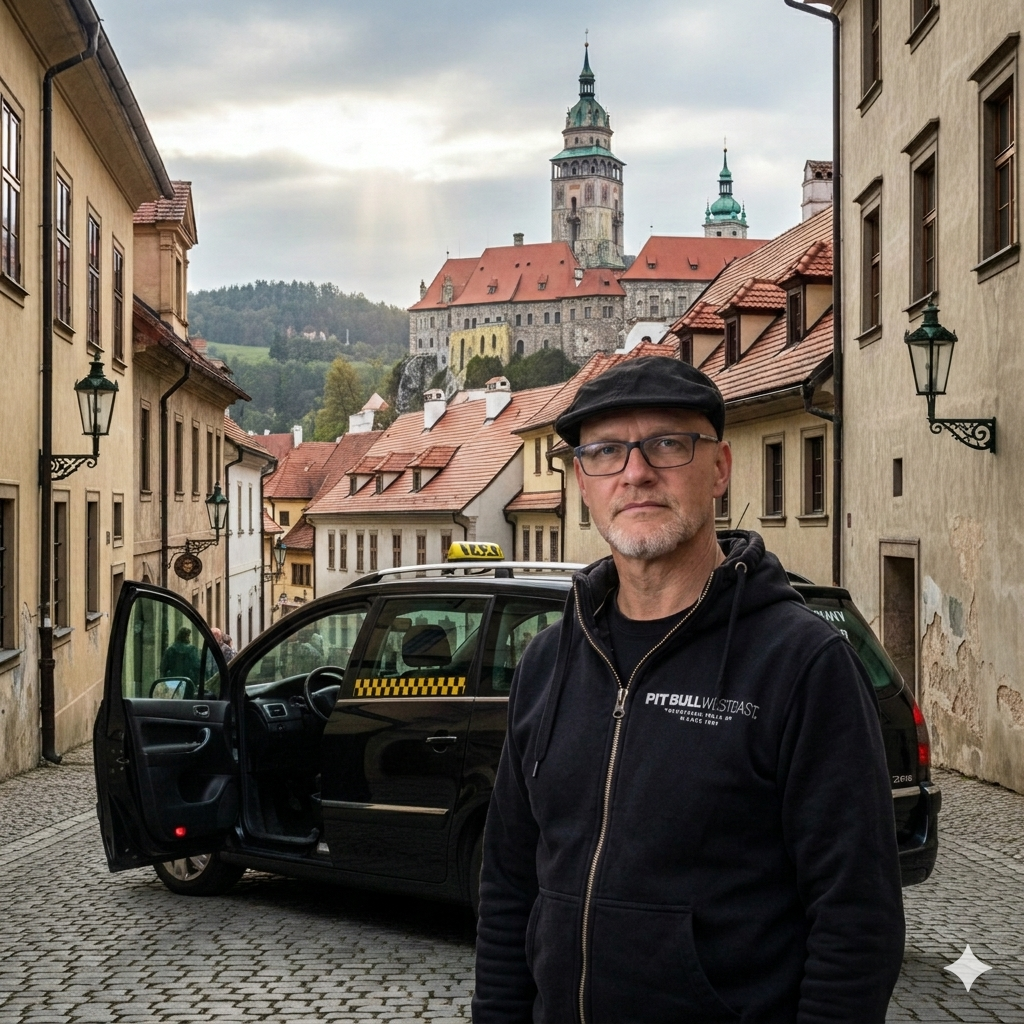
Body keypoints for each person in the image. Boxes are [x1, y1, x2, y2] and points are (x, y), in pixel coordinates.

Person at [473, 357, 904, 1024]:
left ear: (720, 469)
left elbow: (856, 917)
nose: (635, 472)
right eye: (605, 452)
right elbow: (508, 886)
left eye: (668, 444)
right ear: (583, 481)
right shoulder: (547, 661)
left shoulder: (802, 663)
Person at [159, 626, 201, 697]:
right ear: (186, 637)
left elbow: (163, 668)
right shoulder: (192, 650)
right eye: (188, 636)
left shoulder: (170, 650)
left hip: (172, 683)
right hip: (189, 683)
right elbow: (197, 667)